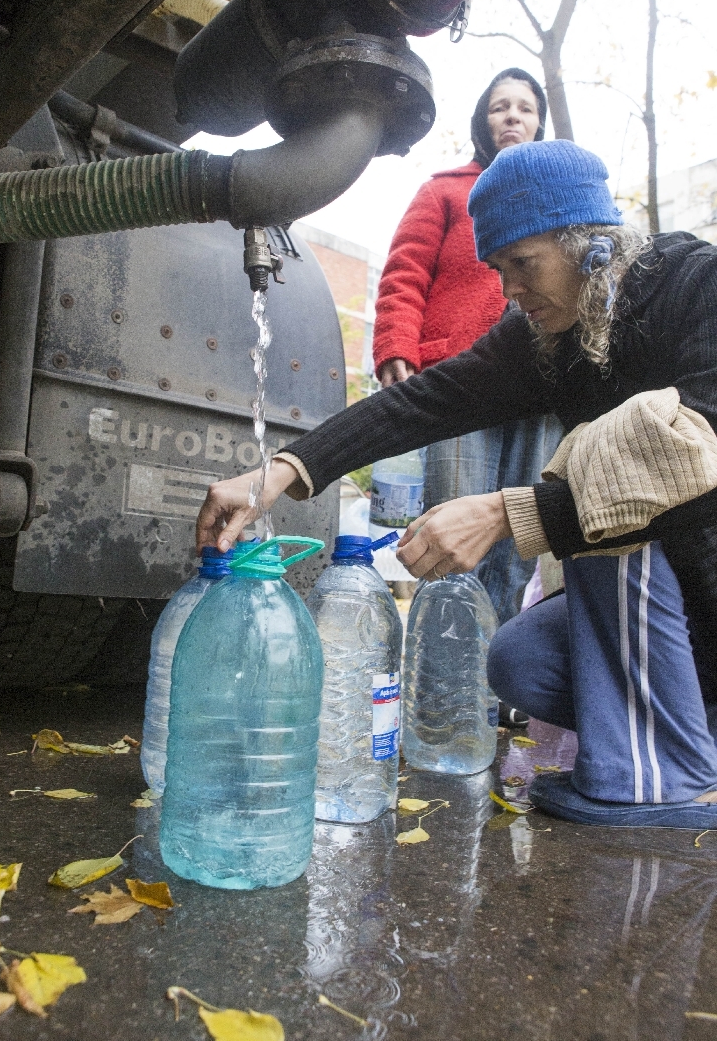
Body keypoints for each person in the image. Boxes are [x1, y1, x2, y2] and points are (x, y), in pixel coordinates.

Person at [198, 139, 717, 829]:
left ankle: (666, 781)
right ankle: (691, 728)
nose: (511, 291)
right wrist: (282, 471)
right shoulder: (552, 334)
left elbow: (699, 450)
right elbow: (427, 400)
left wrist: (512, 511)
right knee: (523, 663)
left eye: (524, 264)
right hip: (670, 605)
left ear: (592, 244)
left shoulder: (697, 286)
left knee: (618, 464)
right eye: (499, 270)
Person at [373, 67, 562, 627]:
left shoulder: (554, 202)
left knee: (517, 541)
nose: (512, 116)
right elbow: (404, 272)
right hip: (462, 381)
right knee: (452, 534)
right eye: (500, 106)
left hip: (540, 389)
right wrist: (395, 344)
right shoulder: (446, 190)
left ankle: (489, 686)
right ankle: (441, 691)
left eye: (525, 108)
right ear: (483, 120)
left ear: (538, 123)